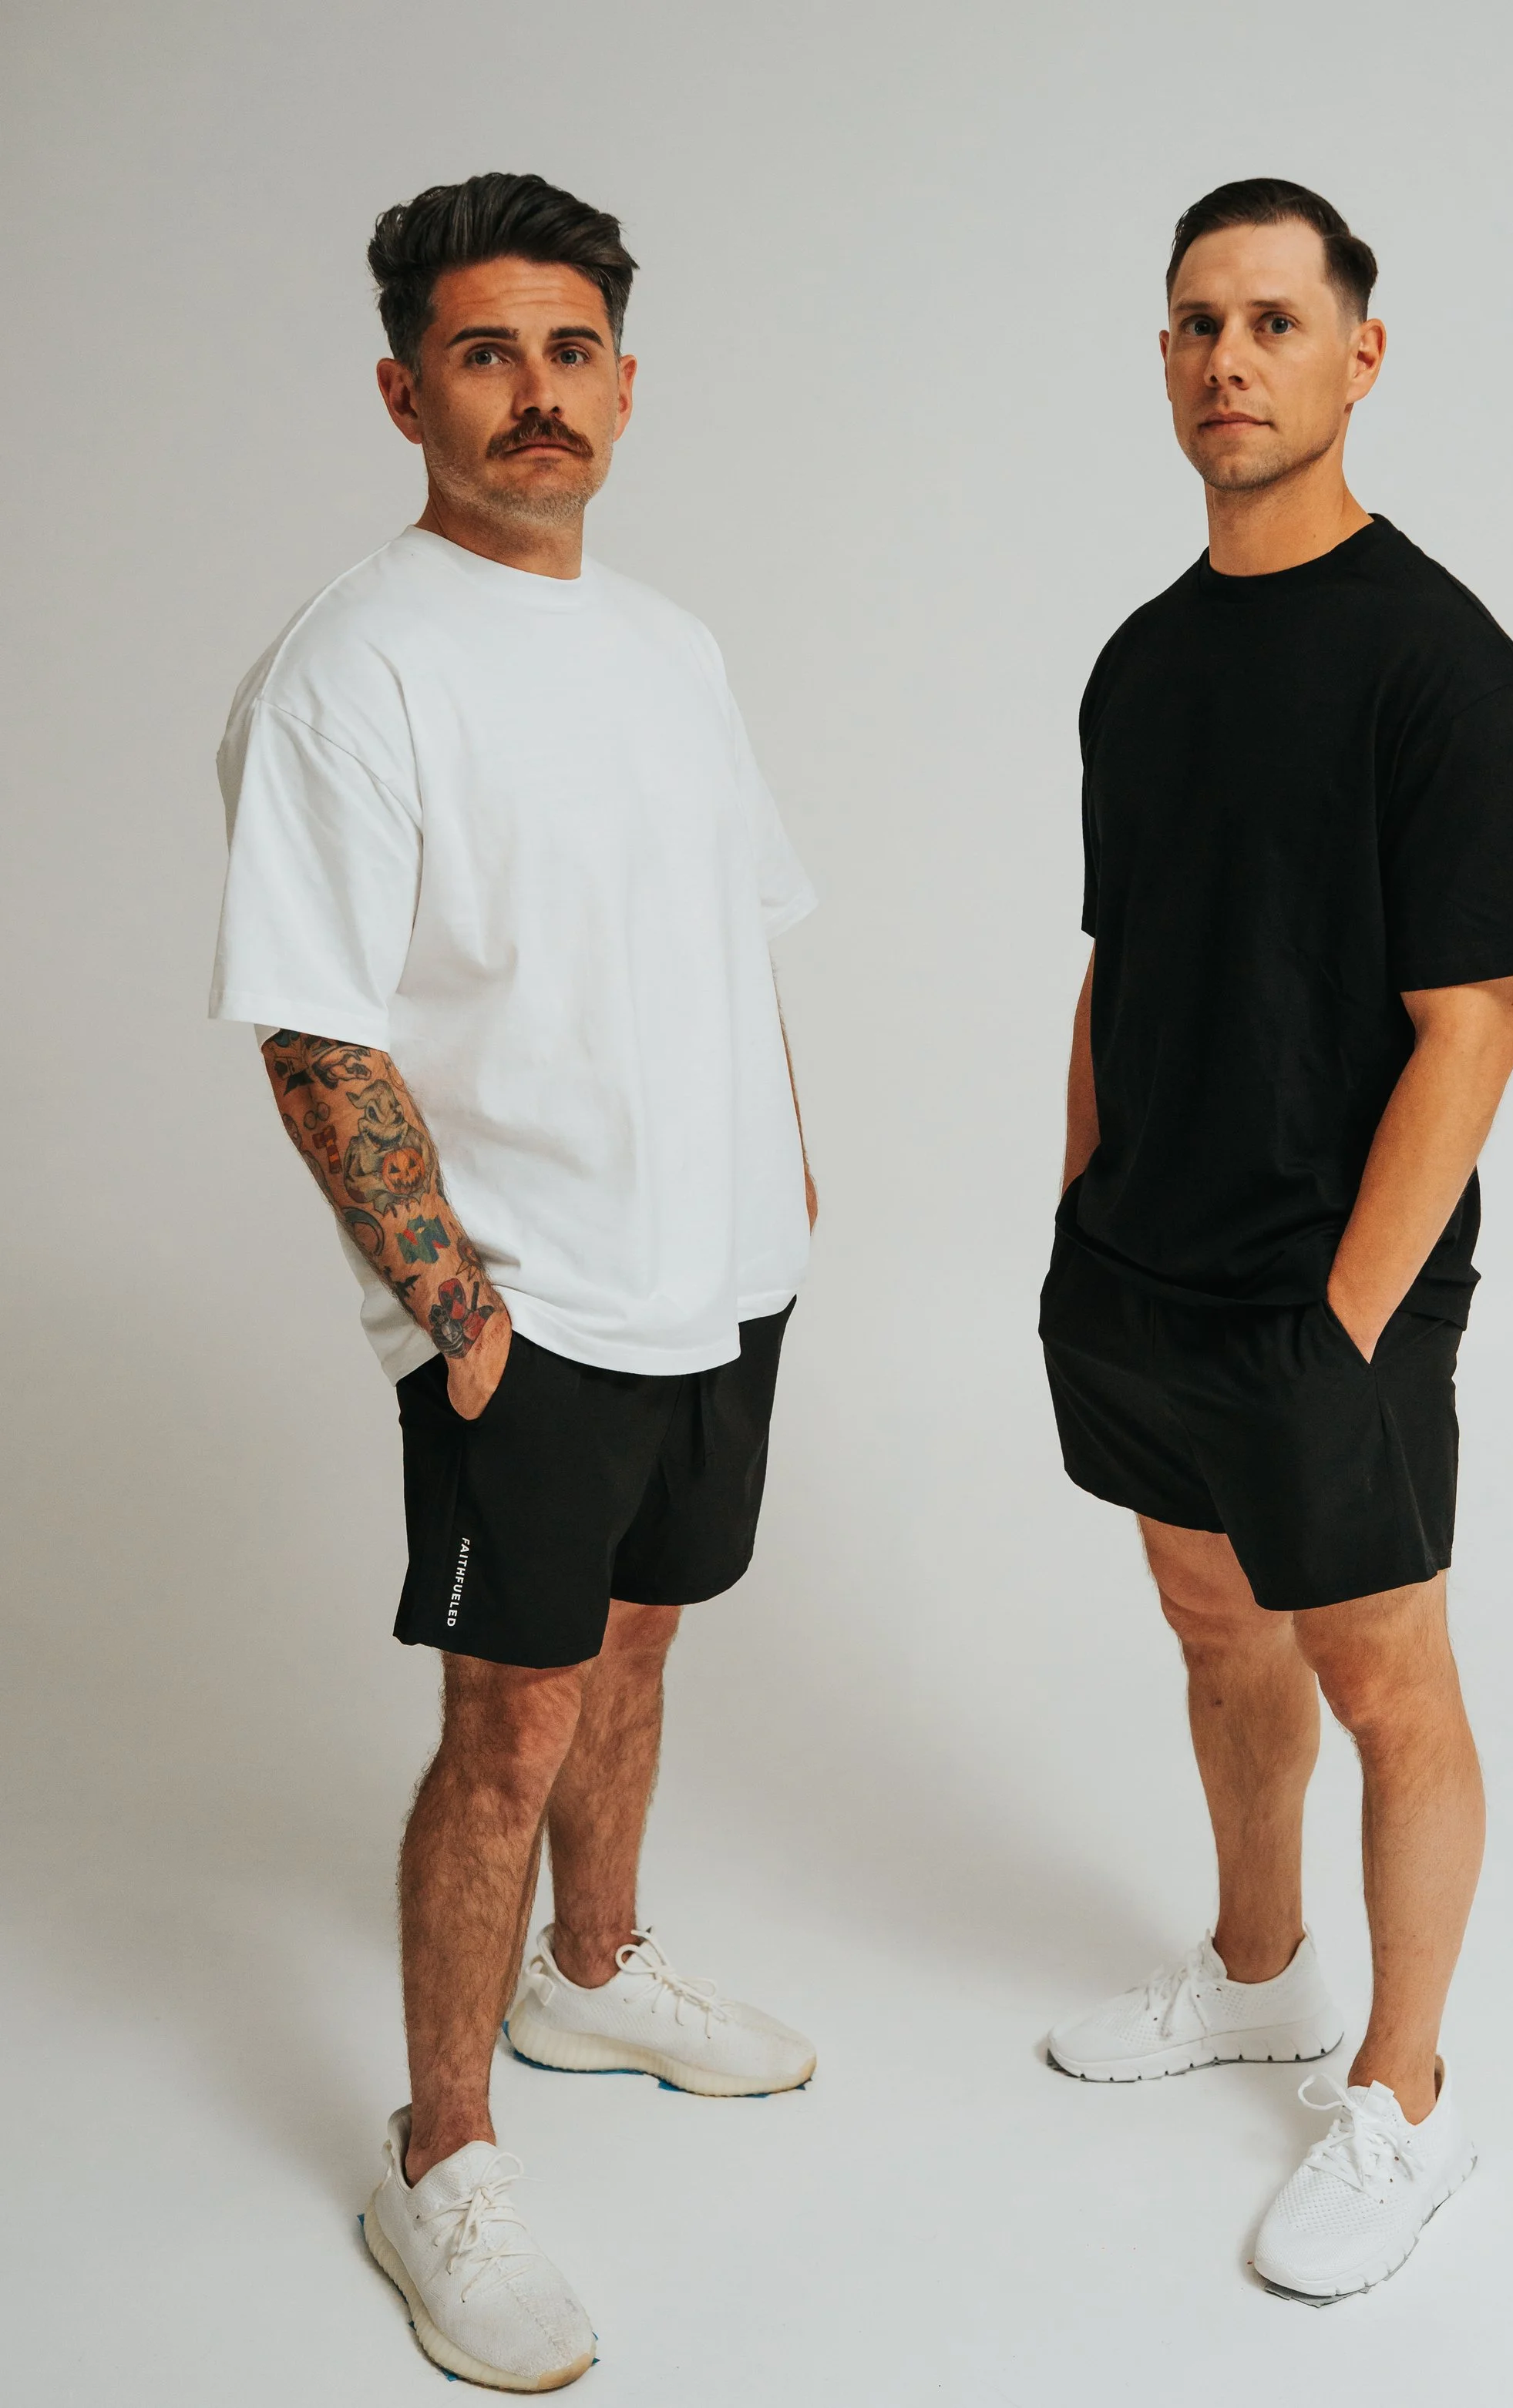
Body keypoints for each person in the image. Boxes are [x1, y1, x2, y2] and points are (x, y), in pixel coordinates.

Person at [209, 173, 820, 2391]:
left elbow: (730, 932)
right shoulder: (350, 664)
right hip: (536, 1298)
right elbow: (315, 1023)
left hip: (718, 1269)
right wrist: (454, 1303)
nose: (533, 392)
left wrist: (787, 1172)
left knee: (639, 1641)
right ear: (405, 388)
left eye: (569, 352)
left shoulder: (671, 646)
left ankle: (596, 1968)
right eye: (484, 352)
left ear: (624, 384)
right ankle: (440, 2150)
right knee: (507, 1721)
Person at [1040, 178, 1513, 2302]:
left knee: (1379, 1670)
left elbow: (1474, 1021)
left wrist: (1343, 1322)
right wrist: (1078, 1211)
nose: (1221, 360)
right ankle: (1257, 1965)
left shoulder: (1439, 662)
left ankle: (1408, 2094)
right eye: (1190, 323)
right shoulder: (1141, 663)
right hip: (1141, 1270)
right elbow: (1115, 958)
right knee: (1206, 1621)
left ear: (1357, 354)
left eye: (1266, 321)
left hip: (1325, 1292)